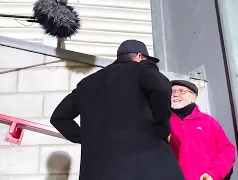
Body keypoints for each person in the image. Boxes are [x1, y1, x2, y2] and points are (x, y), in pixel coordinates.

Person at [50, 40, 184, 180]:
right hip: (143, 165)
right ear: (139, 56)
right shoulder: (142, 69)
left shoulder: (87, 83)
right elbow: (161, 88)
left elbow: (59, 117)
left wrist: (88, 137)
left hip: (98, 171)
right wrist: (163, 128)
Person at [169, 80, 235, 180]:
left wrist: (213, 174)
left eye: (181, 91)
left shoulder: (209, 123)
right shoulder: (162, 122)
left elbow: (227, 151)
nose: (175, 94)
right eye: (172, 92)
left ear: (193, 97)